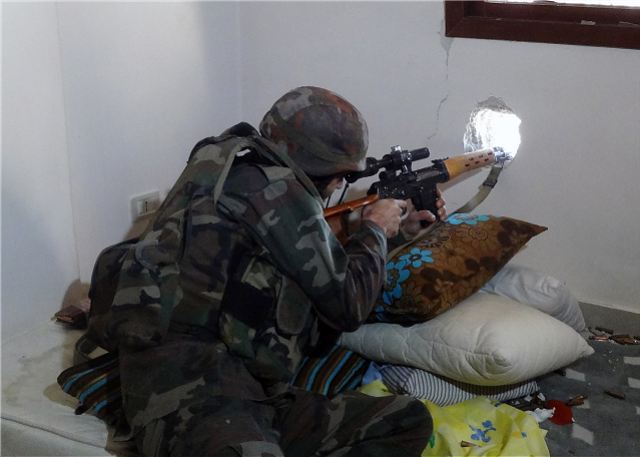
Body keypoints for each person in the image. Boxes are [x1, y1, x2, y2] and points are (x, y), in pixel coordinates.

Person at [100, 86, 446, 456]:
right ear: (324, 169)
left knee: (406, 420)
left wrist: (394, 234)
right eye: (343, 176)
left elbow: (320, 274)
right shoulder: (273, 191)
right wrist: (375, 229)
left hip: (252, 392)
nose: (339, 185)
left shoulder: (235, 170)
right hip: (191, 396)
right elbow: (348, 306)